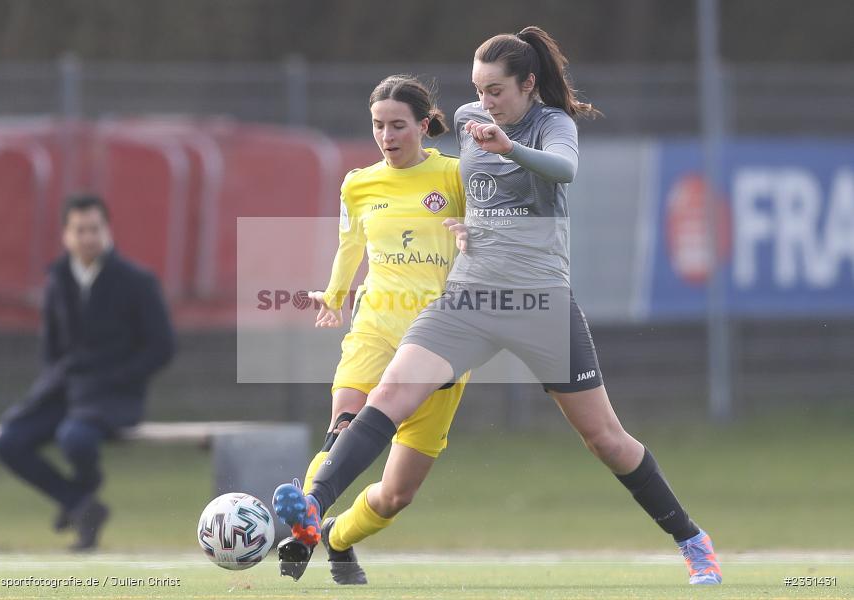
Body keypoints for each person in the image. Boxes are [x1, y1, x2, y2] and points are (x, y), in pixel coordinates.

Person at [274, 26, 723, 586]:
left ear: (528, 84)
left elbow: (565, 171)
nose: (483, 103)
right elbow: (475, 194)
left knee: (604, 438)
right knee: (387, 396)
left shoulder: (550, 124)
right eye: (477, 90)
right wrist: (467, 227)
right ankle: (313, 505)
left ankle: (692, 539)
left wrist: (509, 146)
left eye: (495, 91)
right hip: (468, 297)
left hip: (539, 300)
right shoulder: (465, 120)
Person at [274, 75, 469, 585]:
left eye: (398, 125)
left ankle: (335, 536)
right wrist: (334, 297)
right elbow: (350, 245)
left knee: (395, 495)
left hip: (441, 339)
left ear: (423, 125)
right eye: (379, 125)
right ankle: (307, 521)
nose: (387, 135)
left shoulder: (455, 177)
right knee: (343, 425)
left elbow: (491, 237)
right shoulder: (358, 183)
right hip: (376, 324)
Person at [0, 194, 175, 551]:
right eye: (80, 230)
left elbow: (161, 347)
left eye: (95, 229)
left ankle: (79, 503)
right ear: (66, 235)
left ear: (107, 231)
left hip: (113, 394)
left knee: (75, 438)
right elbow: (52, 347)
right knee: (8, 441)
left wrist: (121, 377)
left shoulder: (136, 281)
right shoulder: (57, 280)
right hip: (64, 390)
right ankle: (80, 502)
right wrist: (54, 382)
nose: (88, 237)